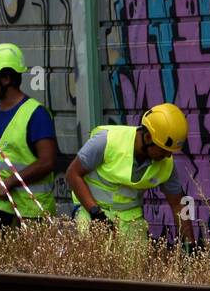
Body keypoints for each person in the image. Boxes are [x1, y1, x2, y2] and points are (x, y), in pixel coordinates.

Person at [66, 103, 196, 244]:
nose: (168, 155)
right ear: (147, 138)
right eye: (164, 150)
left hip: (131, 218)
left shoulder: (166, 164)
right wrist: (95, 213)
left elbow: (178, 204)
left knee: (136, 265)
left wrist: (189, 244)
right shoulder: (106, 141)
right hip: (92, 211)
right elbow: (72, 174)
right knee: (93, 263)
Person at [0, 43, 58, 236]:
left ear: (6, 79)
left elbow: (48, 161)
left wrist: (10, 182)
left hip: (29, 213)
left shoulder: (36, 114)